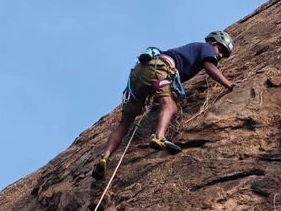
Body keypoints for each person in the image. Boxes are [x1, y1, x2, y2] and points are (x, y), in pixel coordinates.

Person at [92, 30, 235, 180]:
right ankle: (159, 137)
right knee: (170, 105)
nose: (220, 56)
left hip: (139, 73)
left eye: (224, 55)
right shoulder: (206, 48)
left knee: (124, 124)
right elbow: (210, 67)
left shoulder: (193, 52)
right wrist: (229, 85)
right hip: (159, 68)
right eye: (221, 50)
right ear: (213, 43)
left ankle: (104, 158)